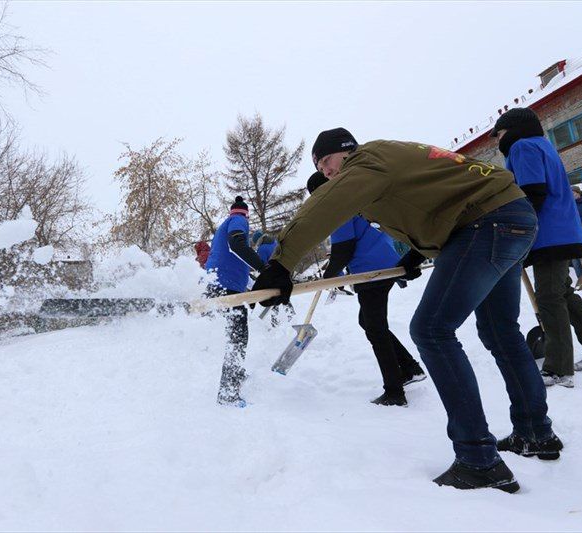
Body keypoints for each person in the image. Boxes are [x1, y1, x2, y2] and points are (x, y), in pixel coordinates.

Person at [252, 127, 562, 493]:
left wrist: (281, 262)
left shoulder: (367, 161)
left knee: (432, 330)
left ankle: (478, 459)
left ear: (342, 151)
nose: (327, 173)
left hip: (485, 223)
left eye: (325, 163)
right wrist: (420, 250)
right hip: (508, 216)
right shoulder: (390, 159)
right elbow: (434, 200)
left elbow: (325, 207)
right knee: (499, 330)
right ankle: (535, 432)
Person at [490, 108, 582, 386]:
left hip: (548, 232)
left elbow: (532, 192)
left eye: (497, 134)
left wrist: (518, 231)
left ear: (510, 130)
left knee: (549, 298)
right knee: (563, 294)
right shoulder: (541, 145)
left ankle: (559, 368)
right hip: (562, 229)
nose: (496, 140)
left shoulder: (522, 147)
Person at [307, 171, 426, 406]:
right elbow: (350, 244)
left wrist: (330, 276)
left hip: (372, 271)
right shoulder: (352, 198)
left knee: (375, 327)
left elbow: (344, 248)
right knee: (370, 323)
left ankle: (394, 391)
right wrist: (334, 273)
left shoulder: (337, 203)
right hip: (381, 263)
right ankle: (409, 368)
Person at [205, 196, 266, 407]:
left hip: (221, 284)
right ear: (245, 213)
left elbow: (235, 264)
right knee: (238, 337)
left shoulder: (225, 225)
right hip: (225, 287)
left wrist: (257, 284)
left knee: (237, 334)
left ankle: (235, 376)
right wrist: (264, 268)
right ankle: (228, 393)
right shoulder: (239, 221)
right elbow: (237, 244)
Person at [252, 230, 295, 326]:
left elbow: (262, 265)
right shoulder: (274, 242)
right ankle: (291, 313)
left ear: (258, 241)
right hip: (285, 269)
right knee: (283, 292)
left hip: (273, 274)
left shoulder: (262, 248)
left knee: (274, 295)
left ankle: (274, 320)